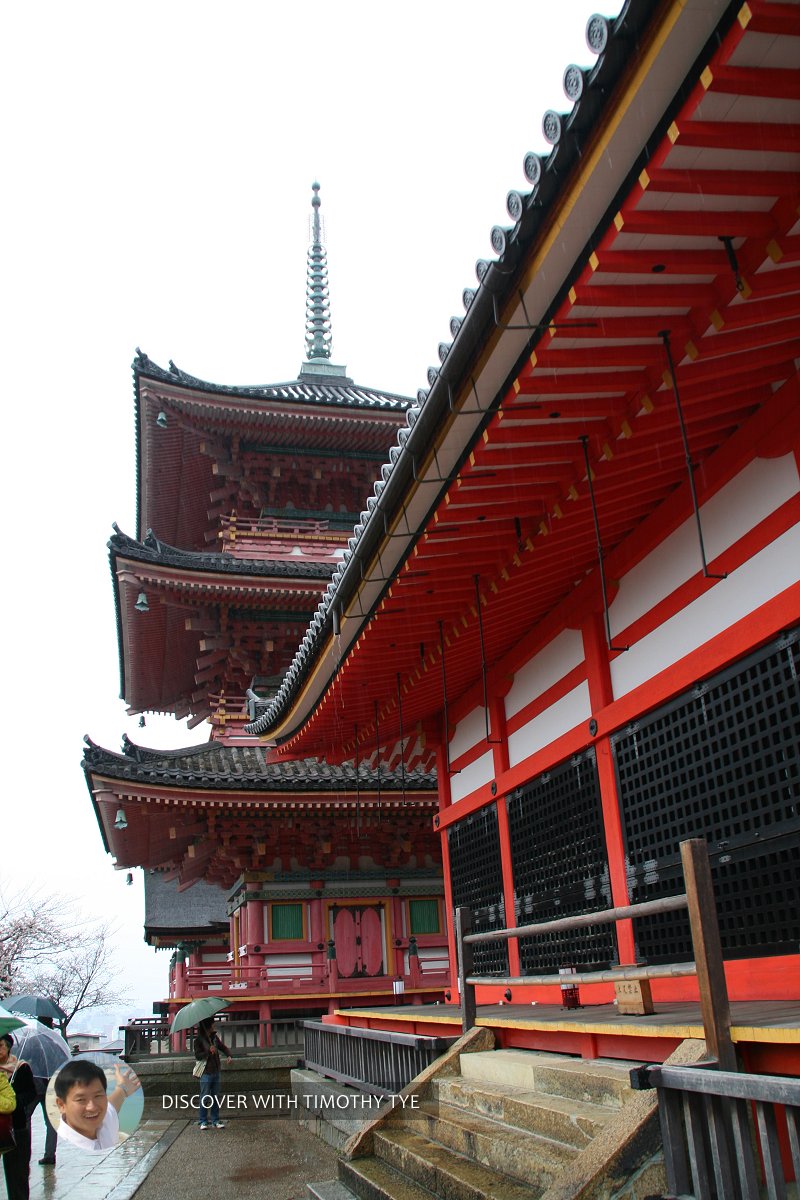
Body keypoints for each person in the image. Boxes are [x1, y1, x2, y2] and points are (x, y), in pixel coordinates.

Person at [53, 1060, 141, 1153]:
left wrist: (123, 1089)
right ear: (61, 1105)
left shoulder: (104, 1119)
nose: (92, 1107)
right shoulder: (63, 1149)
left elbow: (112, 1105)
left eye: (98, 1096)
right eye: (81, 1100)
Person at [0, 1033, 36, 1200]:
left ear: (8, 1048)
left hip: (17, 1127)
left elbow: (31, 1093)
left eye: (1, 1046)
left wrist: (16, 1100)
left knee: (17, 1172)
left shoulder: (21, 1068)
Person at [193, 1019, 231, 1130]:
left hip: (216, 1070)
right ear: (208, 1026)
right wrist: (209, 1051)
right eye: (212, 1025)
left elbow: (222, 1047)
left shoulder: (214, 1038)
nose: (214, 1027)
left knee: (215, 1097)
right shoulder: (198, 1040)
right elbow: (198, 1056)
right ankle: (203, 1120)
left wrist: (229, 1055)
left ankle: (215, 1119)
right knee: (204, 1096)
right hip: (206, 1072)